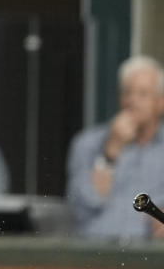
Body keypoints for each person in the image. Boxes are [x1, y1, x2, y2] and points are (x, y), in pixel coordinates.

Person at [66, 55, 164, 241]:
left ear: (161, 102)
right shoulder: (88, 143)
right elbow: (82, 208)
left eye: (143, 94)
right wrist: (112, 149)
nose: (132, 101)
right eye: (127, 93)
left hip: (150, 259)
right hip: (94, 255)